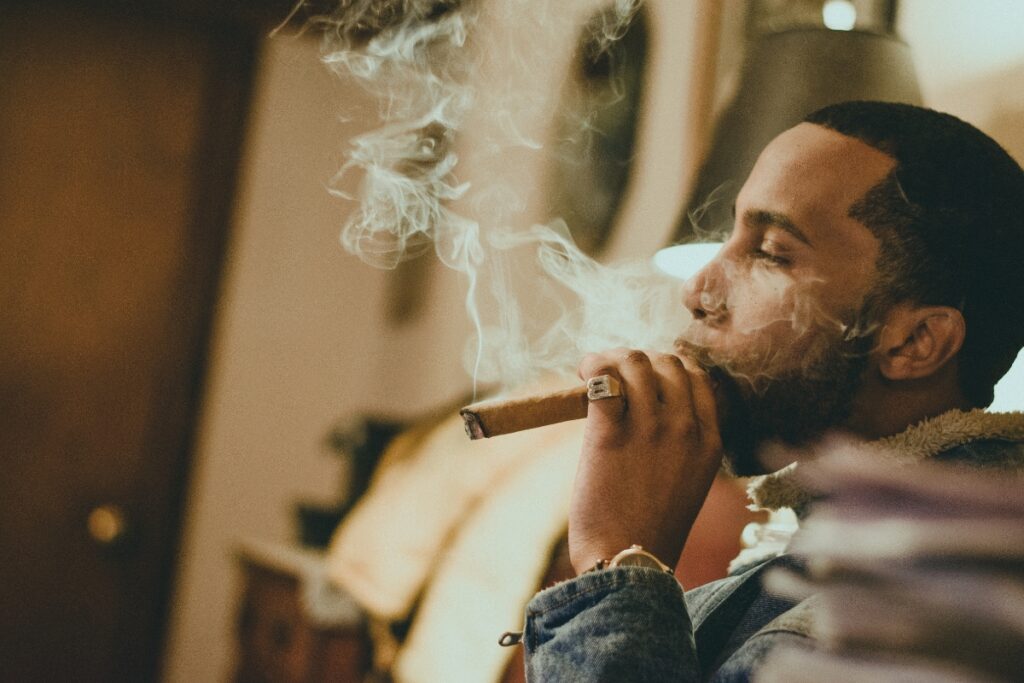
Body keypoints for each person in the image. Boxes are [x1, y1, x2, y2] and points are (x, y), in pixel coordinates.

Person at [519, 101, 1024, 681]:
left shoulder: (910, 615)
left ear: (915, 342)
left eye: (770, 253)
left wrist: (616, 563)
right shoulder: (828, 559)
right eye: (730, 235)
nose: (697, 289)